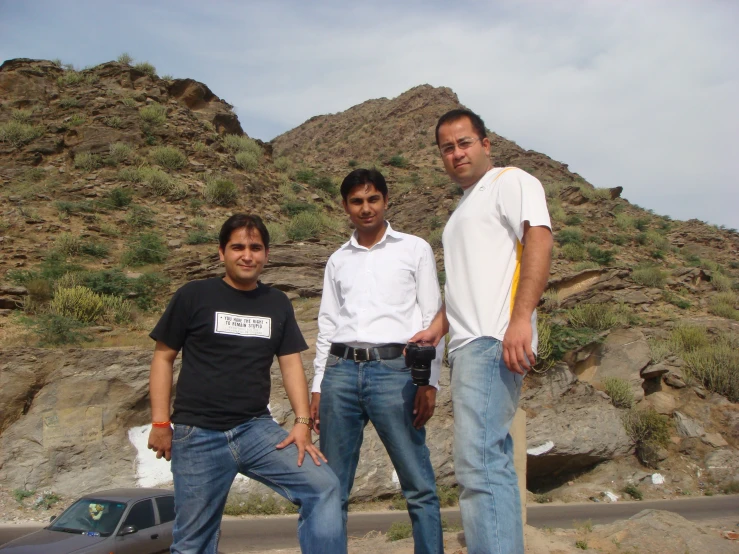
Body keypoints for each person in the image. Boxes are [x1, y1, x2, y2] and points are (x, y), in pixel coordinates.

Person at [147, 213, 346, 554]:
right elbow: (163, 358)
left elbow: (290, 363)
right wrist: (161, 422)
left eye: (255, 247)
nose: (247, 255)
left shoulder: (276, 303)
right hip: (198, 435)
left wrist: (301, 423)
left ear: (266, 254)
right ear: (221, 252)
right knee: (192, 543)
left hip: (255, 430)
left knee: (323, 485)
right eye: (237, 247)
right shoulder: (194, 295)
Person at [410, 109, 553, 554]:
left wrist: (519, 320)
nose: (456, 154)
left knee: (478, 465)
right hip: (468, 345)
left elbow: (540, 240)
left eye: (464, 143)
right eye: (447, 148)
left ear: (486, 144)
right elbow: (466, 284)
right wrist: (437, 329)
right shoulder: (462, 209)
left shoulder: (511, 181)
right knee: (489, 461)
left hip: (494, 340)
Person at [310, 169, 445, 554]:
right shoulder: (338, 260)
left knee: (418, 485)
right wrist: (319, 384)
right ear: (345, 207)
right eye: (356, 201)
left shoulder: (414, 248)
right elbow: (327, 324)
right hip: (341, 371)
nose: (365, 208)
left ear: (386, 201)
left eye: (372, 200)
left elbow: (432, 318)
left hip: (395, 372)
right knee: (332, 487)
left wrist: (429, 381)